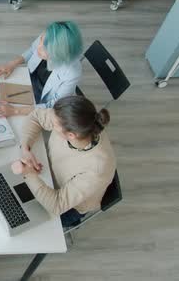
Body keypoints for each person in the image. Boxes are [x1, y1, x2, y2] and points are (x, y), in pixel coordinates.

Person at [11, 96, 116, 227]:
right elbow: (36, 116)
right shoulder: (72, 120)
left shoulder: (97, 169)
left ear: (71, 135)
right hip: (49, 175)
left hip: (68, 207)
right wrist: (26, 148)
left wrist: (29, 174)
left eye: (54, 125)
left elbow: (56, 205)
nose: (51, 122)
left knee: (18, 220)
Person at [0, 21, 83, 117]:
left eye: (44, 48)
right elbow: (32, 49)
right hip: (29, 82)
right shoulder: (48, 36)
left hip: (42, 104)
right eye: (41, 40)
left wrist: (15, 111)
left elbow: (53, 105)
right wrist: (12, 64)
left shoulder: (72, 72)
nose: (38, 48)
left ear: (58, 54)